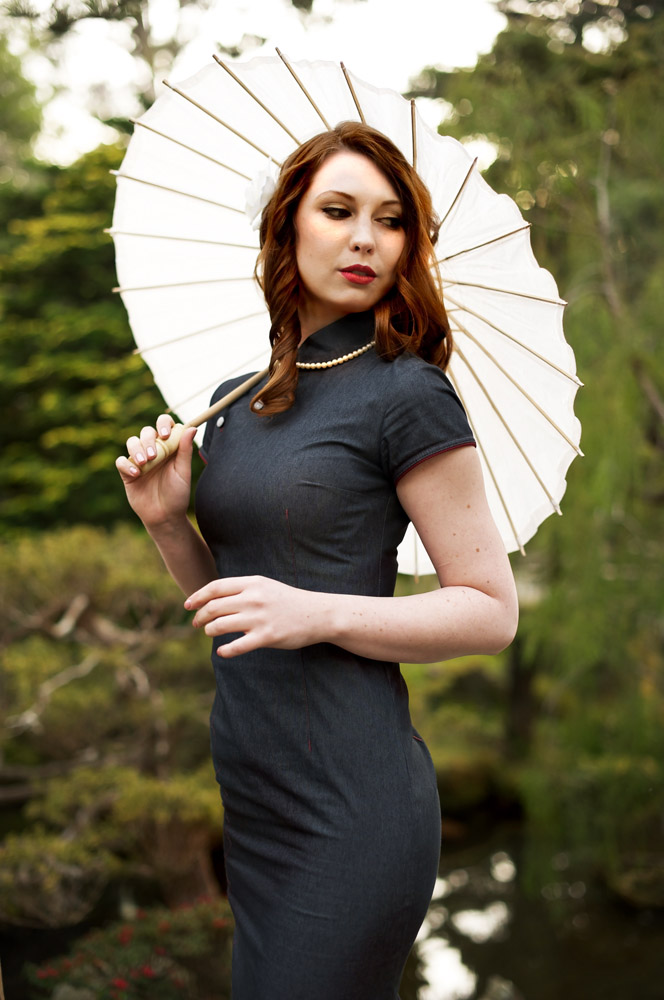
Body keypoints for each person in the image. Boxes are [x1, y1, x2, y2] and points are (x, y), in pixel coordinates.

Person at [116, 121, 518, 1000]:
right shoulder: (234, 400)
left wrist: (321, 611)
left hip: (353, 801)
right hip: (255, 794)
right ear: (287, 224)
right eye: (338, 210)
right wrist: (167, 522)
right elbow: (234, 612)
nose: (366, 238)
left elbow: (491, 610)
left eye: (391, 220)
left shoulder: (407, 392)